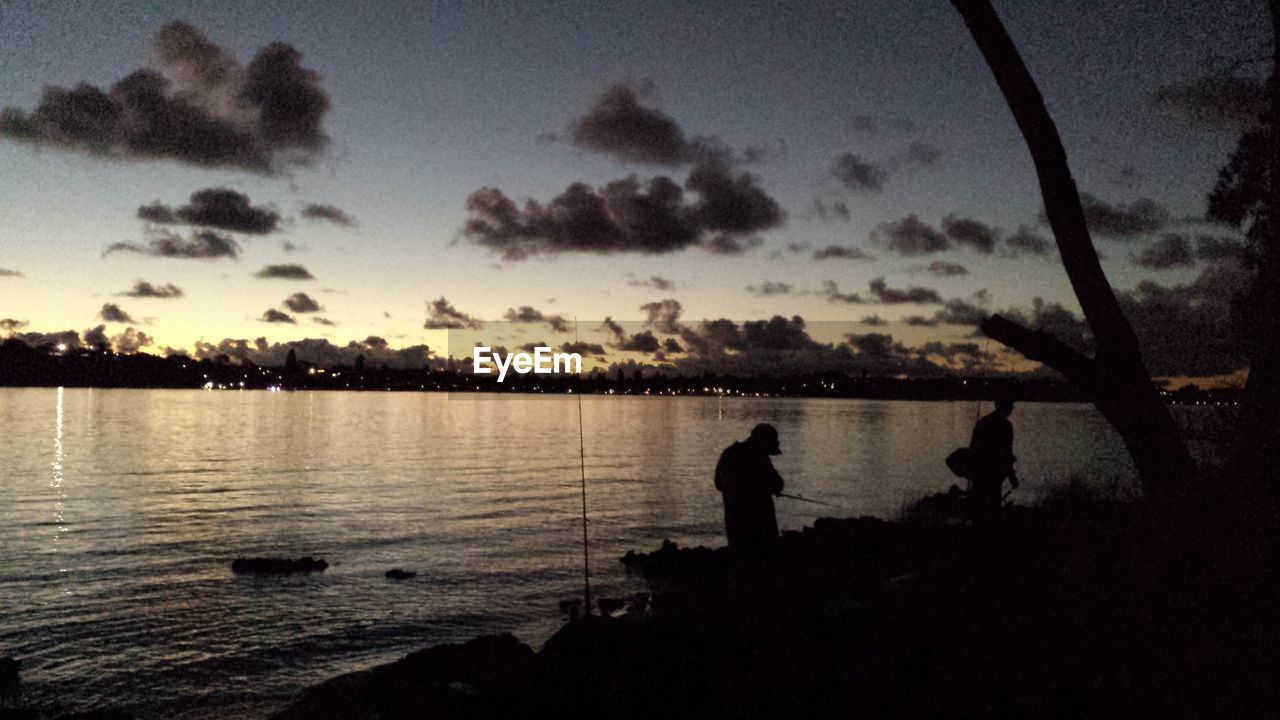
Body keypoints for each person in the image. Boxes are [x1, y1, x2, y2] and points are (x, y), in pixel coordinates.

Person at [715, 423, 785, 551]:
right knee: (764, 555)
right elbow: (778, 483)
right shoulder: (760, 457)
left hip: (734, 518)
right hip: (761, 520)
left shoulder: (728, 453)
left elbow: (718, 484)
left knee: (739, 554)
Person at [968, 393, 1019, 519]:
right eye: (1010, 407)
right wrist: (1012, 477)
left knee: (978, 508)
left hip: (978, 472)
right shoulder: (1006, 426)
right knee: (992, 507)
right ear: (1004, 407)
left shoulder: (982, 423)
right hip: (994, 474)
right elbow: (1006, 453)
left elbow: (973, 449)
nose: (1011, 410)